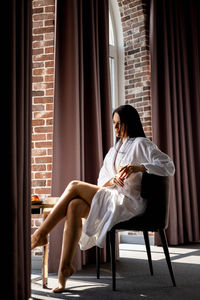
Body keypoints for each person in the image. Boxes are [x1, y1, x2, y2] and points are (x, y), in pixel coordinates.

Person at [31, 104, 175, 293]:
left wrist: (139, 167)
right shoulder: (114, 149)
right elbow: (100, 181)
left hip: (129, 202)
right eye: (114, 124)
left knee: (74, 185)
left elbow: (168, 165)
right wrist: (111, 180)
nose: (115, 128)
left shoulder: (141, 143)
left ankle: (40, 235)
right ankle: (65, 269)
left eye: (119, 124)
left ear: (129, 123)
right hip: (113, 195)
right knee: (74, 205)